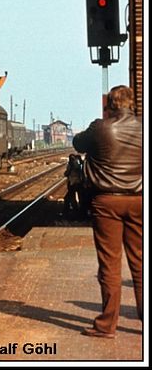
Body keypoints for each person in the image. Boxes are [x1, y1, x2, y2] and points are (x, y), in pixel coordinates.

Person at [72, 84, 142, 338]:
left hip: (106, 203)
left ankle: (107, 325)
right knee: (140, 262)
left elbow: (78, 143)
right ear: (131, 104)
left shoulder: (100, 128)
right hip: (139, 201)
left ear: (110, 105)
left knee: (110, 264)